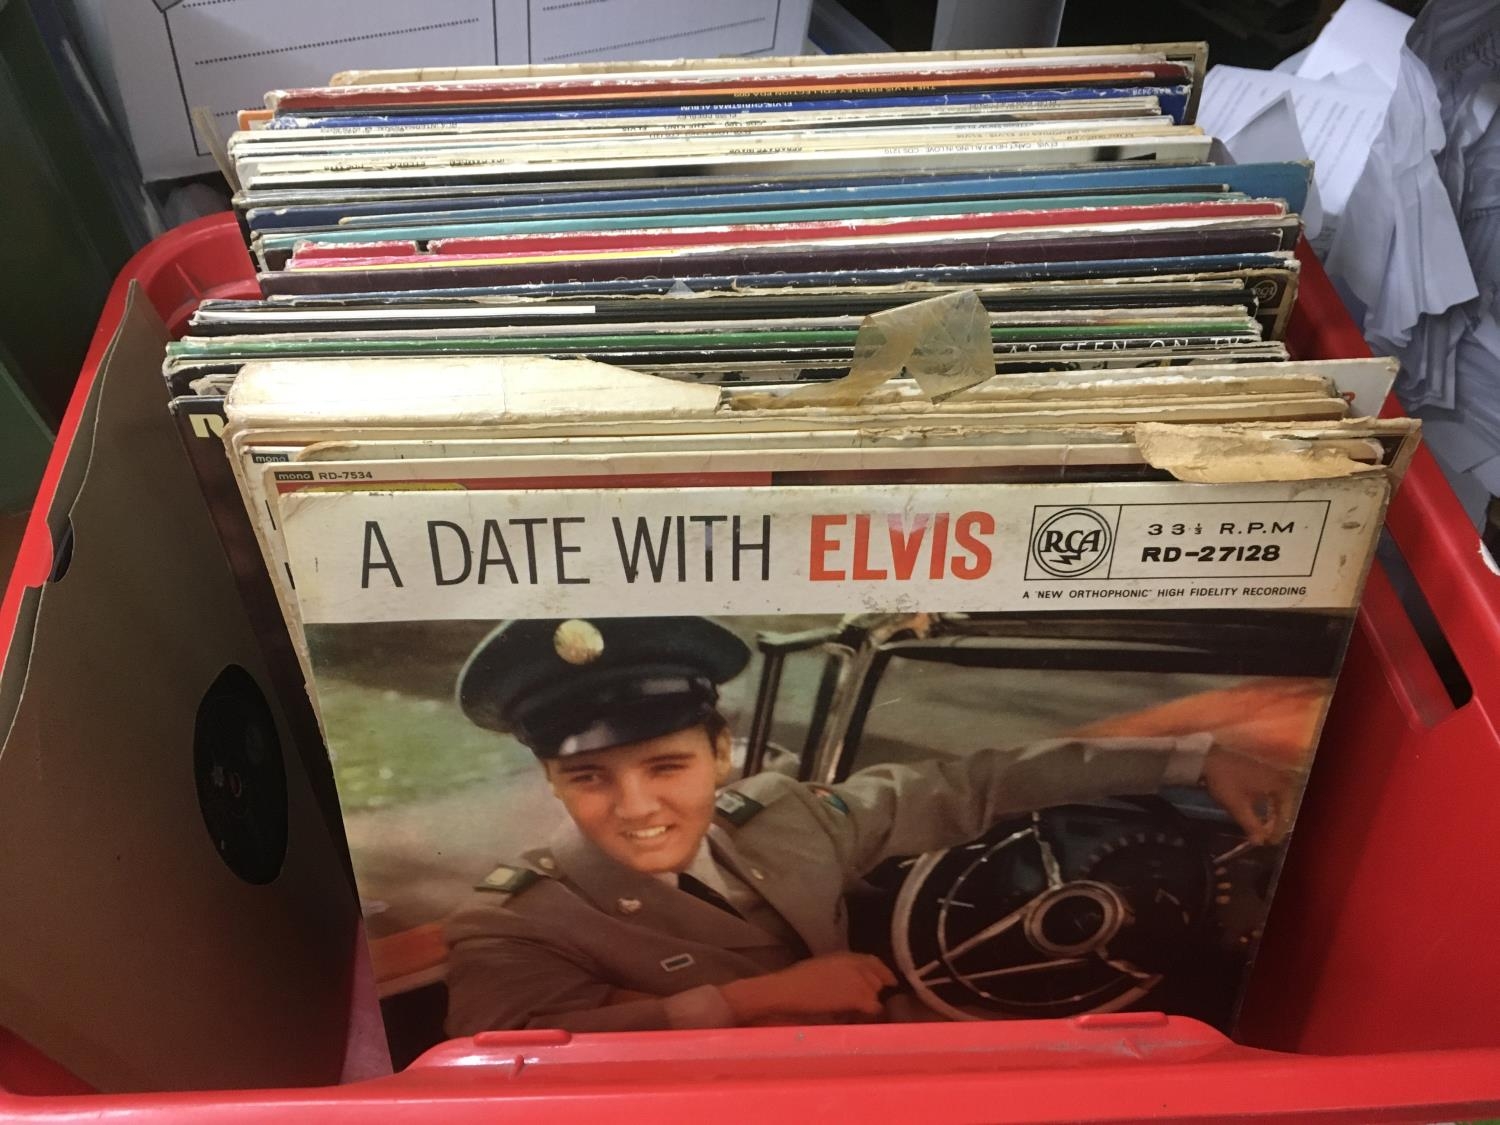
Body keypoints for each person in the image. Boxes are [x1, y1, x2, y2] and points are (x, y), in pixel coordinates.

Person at [443, 615, 1297, 1035]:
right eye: (589, 777)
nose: (636, 807)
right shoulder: (510, 921)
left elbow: (971, 785)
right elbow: (499, 1058)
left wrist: (1188, 758)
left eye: (667, 767)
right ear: (551, 779)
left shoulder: (788, 819)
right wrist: (753, 998)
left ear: (722, 752)